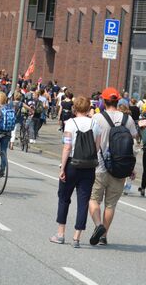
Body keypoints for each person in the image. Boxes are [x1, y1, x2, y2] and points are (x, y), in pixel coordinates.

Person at [89, 87, 138, 246]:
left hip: (99, 166)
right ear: (117, 101)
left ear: (103, 101)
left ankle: (98, 226)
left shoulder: (97, 117)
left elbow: (91, 140)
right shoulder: (128, 120)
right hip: (120, 167)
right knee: (110, 204)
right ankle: (104, 236)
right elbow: (133, 142)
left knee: (94, 199)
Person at [50, 96, 100, 248]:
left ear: (75, 108)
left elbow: (67, 147)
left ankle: (60, 233)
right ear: (87, 109)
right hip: (89, 167)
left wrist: (63, 167)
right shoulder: (95, 123)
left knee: (64, 198)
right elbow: (97, 147)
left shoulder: (70, 123)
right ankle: (76, 237)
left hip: (72, 164)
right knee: (83, 201)